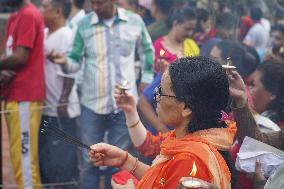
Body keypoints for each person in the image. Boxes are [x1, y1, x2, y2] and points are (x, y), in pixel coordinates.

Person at [48, 0, 154, 188]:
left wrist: (145, 81)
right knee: (91, 161)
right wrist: (64, 61)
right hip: (92, 105)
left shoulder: (134, 21)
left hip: (123, 107)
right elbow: (75, 61)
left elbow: (147, 52)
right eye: (92, 3)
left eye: (100, 3)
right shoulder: (83, 25)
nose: (95, 8)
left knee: (120, 160)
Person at [89, 56, 236, 189]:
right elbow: (164, 179)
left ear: (185, 107)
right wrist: (125, 160)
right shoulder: (190, 138)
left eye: (161, 92)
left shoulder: (190, 161)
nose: (156, 97)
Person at [0, 0, 45, 188]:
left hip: (24, 96)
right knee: (20, 159)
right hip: (15, 95)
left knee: (25, 162)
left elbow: (20, 57)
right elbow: (7, 54)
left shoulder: (28, 14)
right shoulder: (14, 16)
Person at [138, 7, 199, 134]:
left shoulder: (191, 45)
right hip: (159, 101)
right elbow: (148, 84)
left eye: (193, 29)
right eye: (187, 28)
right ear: (175, 23)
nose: (190, 33)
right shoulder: (157, 46)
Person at [39, 0, 79, 187]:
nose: (41, 11)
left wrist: (63, 101)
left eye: (44, 7)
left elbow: (69, 73)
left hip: (62, 110)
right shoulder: (46, 33)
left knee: (63, 160)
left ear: (57, 11)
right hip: (46, 106)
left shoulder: (67, 35)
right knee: (46, 157)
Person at [228, 62, 284, 189]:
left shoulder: (268, 124)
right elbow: (253, 142)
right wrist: (241, 99)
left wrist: (260, 185)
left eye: (253, 85)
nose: (250, 90)